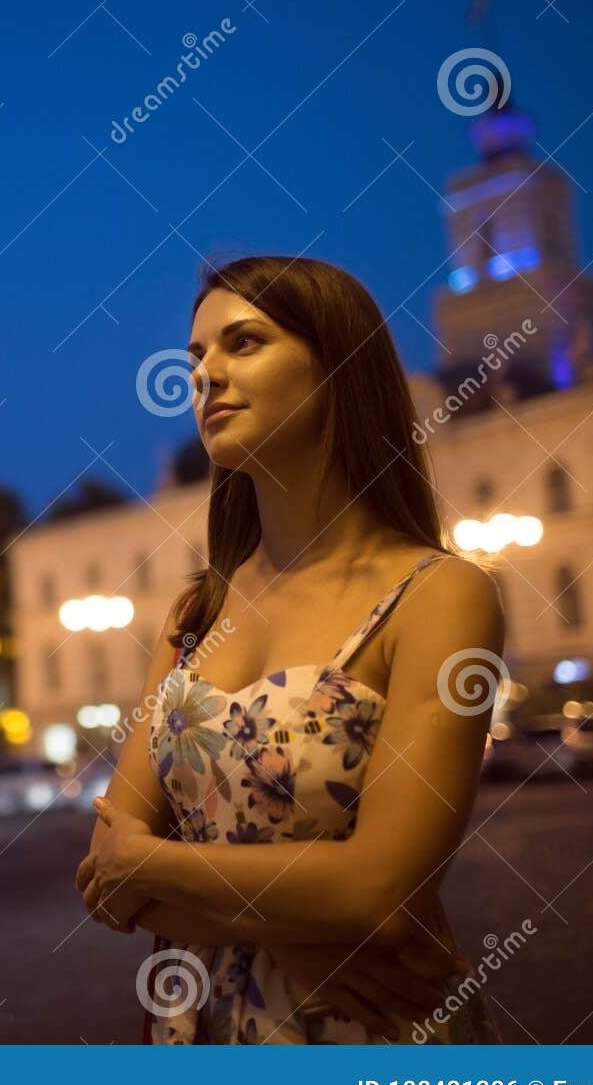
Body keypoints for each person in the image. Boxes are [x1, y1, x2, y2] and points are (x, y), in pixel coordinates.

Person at [75, 255, 506, 1045]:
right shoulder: (194, 614)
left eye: (244, 343)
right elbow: (102, 874)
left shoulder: (440, 595)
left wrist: (153, 869)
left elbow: (379, 890)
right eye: (196, 358)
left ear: (339, 365)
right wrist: (297, 933)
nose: (205, 375)